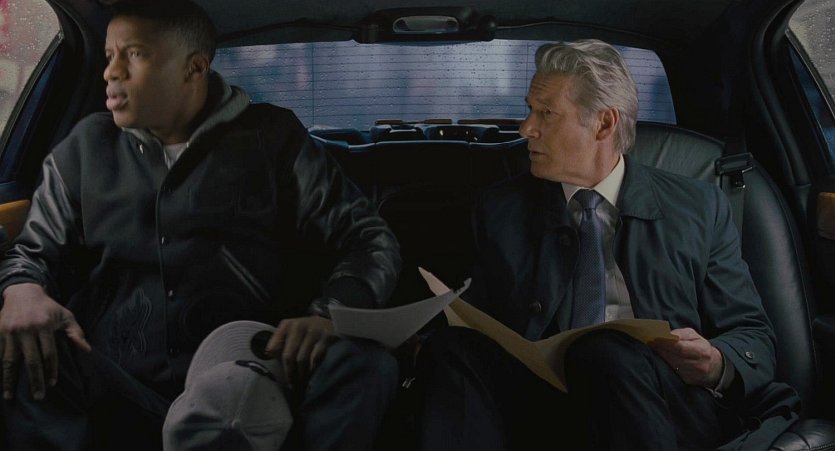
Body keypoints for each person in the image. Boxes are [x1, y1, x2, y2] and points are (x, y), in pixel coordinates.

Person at [0, 1, 401, 450]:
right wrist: (22, 289)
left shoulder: (274, 138)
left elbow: (367, 239)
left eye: (134, 54)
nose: (111, 72)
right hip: (122, 390)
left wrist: (328, 315)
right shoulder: (85, 149)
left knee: (365, 363)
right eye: (109, 55)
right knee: (24, 343)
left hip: (258, 390)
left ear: (194, 68)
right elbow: (33, 253)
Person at [414, 39, 800, 450]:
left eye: (546, 113)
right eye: (529, 110)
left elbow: (752, 334)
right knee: (451, 347)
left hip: (659, 401)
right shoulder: (500, 210)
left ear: (603, 124)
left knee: (602, 351)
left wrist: (716, 362)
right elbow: (480, 324)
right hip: (543, 403)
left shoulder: (698, 208)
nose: (526, 128)